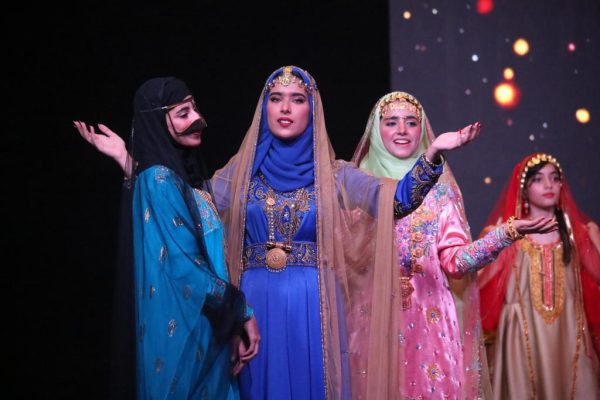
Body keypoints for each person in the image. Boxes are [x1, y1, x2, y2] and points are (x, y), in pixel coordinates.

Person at [75, 66, 480, 399]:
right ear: (264, 107)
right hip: (253, 306)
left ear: (312, 110)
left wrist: (432, 153)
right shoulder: (239, 175)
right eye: (276, 98)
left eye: (298, 99)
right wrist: (130, 162)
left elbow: (397, 201)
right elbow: (186, 210)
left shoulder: (336, 176)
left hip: (314, 306)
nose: (285, 108)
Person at [349, 91, 558, 399]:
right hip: (371, 317)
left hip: (430, 319)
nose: (402, 130)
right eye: (391, 122)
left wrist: (506, 232)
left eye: (411, 122)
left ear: (422, 130)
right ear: (376, 130)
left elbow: (457, 263)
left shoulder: (440, 191)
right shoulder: (356, 185)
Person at [74, 77, 259, 399]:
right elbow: (184, 266)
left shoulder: (178, 181)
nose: (198, 119)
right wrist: (241, 311)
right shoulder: (159, 179)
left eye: (195, 108)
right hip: (185, 333)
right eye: (183, 113)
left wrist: (126, 160)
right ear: (157, 122)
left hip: (205, 325)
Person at [478, 152, 600, 400]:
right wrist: (494, 241)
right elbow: (477, 282)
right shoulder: (507, 234)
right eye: (538, 179)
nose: (548, 185)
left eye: (555, 178)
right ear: (523, 190)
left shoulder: (579, 234)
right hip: (520, 337)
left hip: (569, 332)